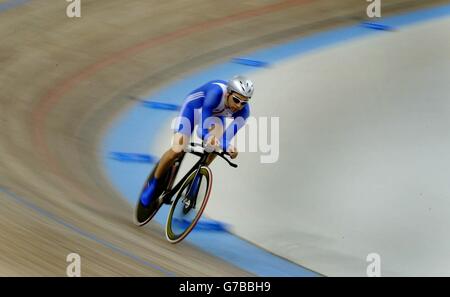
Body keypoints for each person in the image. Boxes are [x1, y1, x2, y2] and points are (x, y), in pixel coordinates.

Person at [139, 75, 254, 207]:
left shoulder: (244, 112)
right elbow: (202, 132)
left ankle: (198, 175)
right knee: (177, 149)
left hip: (214, 116)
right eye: (236, 100)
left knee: (216, 146)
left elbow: (225, 139)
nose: (239, 106)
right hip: (193, 109)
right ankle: (154, 183)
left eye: (244, 102)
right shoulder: (216, 92)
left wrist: (229, 148)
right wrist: (210, 138)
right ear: (228, 93)